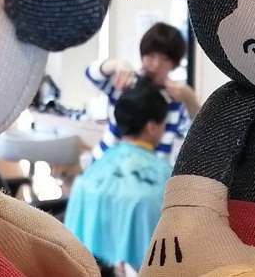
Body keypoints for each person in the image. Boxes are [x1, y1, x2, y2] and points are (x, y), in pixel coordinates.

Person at [64, 80, 174, 271]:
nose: (164, 129)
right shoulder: (165, 175)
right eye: (163, 123)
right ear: (151, 127)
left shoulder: (91, 172)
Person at [85, 22, 201, 161]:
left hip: (151, 167)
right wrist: (116, 64)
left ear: (174, 63)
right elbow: (91, 73)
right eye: (151, 55)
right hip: (107, 160)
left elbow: (198, 132)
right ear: (143, 53)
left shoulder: (177, 95)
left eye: (165, 59)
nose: (156, 64)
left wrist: (190, 99)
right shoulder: (126, 81)